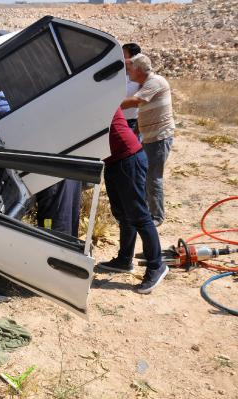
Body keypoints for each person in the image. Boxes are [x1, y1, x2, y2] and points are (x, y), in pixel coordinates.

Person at [98, 108, 168, 294]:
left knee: (139, 215)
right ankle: (124, 260)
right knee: (123, 214)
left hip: (128, 158)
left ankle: (156, 265)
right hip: (113, 161)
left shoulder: (98, 95)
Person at [121, 54, 174, 227]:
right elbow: (144, 110)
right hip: (149, 135)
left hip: (158, 137)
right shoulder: (146, 84)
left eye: (130, 69)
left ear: (138, 69)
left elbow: (135, 102)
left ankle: (156, 216)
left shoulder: (154, 82)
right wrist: (136, 132)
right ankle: (144, 209)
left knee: (153, 177)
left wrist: (109, 105)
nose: (128, 72)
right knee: (144, 174)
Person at [121, 43, 141, 137]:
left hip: (132, 123)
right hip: (117, 121)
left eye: (123, 53)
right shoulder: (118, 73)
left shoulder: (141, 77)